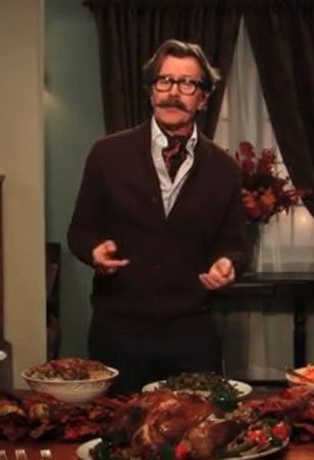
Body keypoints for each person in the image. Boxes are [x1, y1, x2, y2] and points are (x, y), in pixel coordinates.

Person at [67, 39, 248, 394]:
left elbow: (235, 244)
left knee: (198, 427)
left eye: (187, 84)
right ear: (151, 92)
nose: (173, 93)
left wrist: (227, 263)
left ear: (204, 98)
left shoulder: (224, 168)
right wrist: (95, 251)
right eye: (164, 81)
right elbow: (80, 231)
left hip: (191, 335)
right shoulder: (107, 154)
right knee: (118, 428)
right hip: (118, 332)